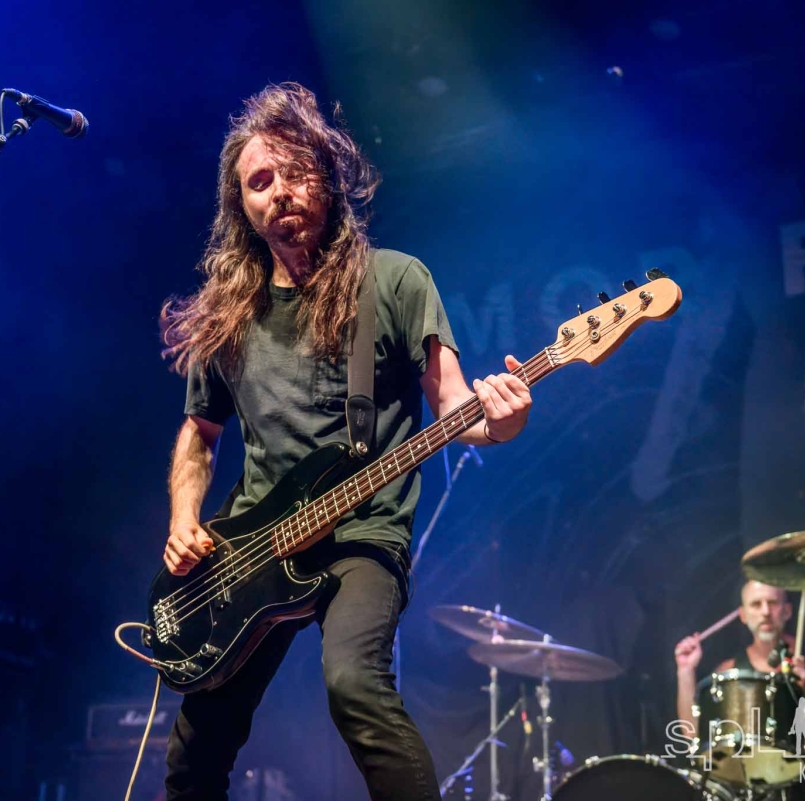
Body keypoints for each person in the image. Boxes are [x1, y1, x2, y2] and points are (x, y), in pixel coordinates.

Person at [156, 82, 532, 800]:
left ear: (327, 178)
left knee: (354, 684)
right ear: (241, 207)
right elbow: (199, 433)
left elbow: (456, 407)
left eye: (296, 172)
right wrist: (182, 520)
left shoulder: (394, 280)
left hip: (363, 531)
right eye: (260, 182)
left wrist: (503, 419)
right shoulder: (227, 315)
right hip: (253, 547)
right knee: (197, 746)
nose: (280, 192)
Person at [674, 579, 805, 738]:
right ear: (743, 615)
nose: (765, 612)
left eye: (772, 603)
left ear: (787, 611)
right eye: (756, 604)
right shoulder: (730, 670)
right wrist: (685, 670)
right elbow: (694, 733)